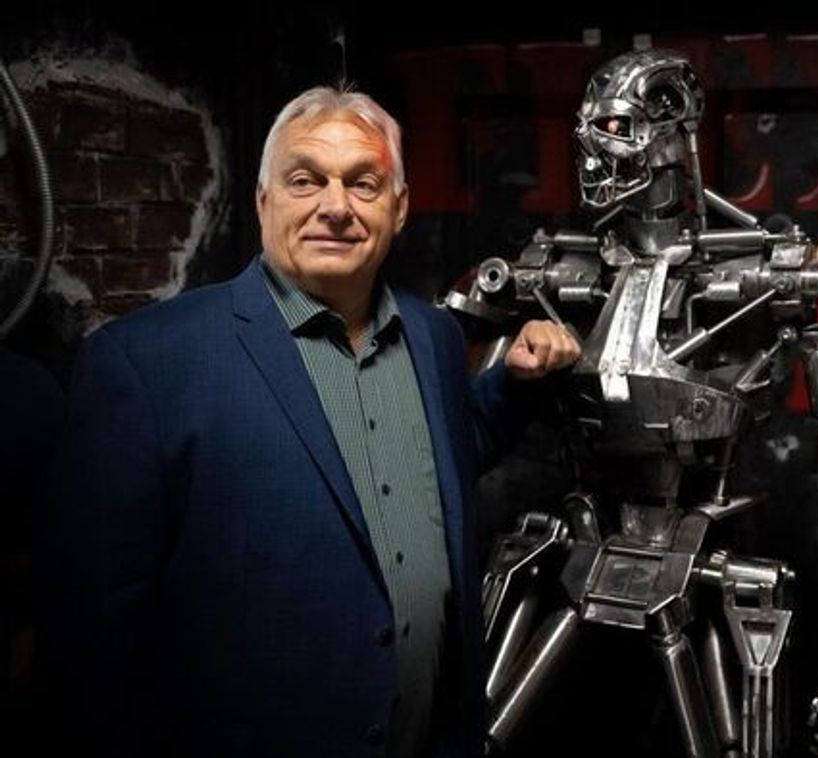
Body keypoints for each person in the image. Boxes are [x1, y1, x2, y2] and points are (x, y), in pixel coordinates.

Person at [37, 85, 579, 758]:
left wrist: (517, 385)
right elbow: (89, 634)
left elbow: (444, 460)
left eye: (363, 183)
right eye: (305, 180)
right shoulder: (147, 364)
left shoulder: (433, 335)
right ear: (264, 201)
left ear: (399, 208)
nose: (336, 206)